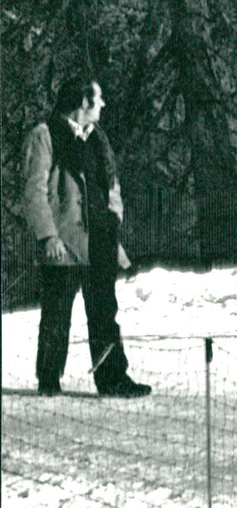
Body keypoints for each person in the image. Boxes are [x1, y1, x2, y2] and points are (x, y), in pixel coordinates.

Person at [22, 75, 151, 397]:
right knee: (56, 314)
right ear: (83, 102)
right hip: (63, 243)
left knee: (105, 313)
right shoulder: (45, 135)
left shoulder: (98, 138)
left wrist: (114, 217)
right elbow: (34, 192)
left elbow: (111, 184)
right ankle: (49, 381)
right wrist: (48, 236)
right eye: (99, 98)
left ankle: (113, 380)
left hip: (101, 240)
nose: (103, 104)